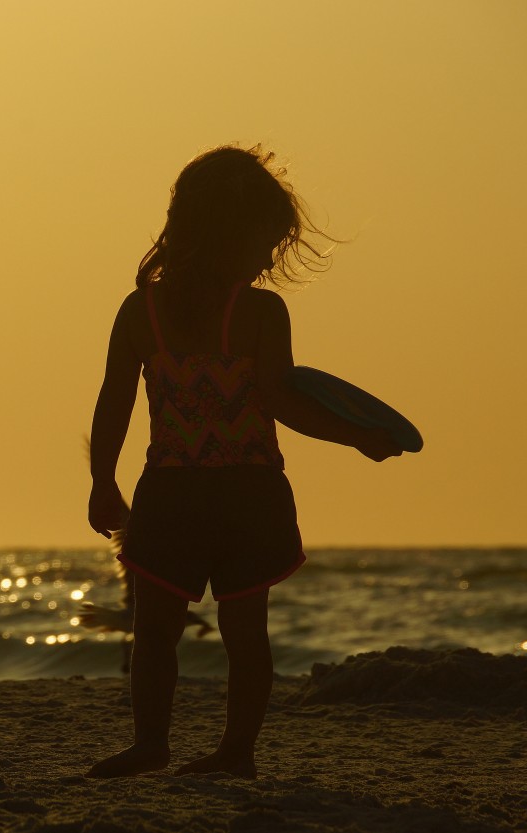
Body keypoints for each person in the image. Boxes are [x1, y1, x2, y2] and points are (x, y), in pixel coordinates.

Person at [85, 145, 402, 779]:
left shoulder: (146, 311)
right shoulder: (251, 313)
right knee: (233, 632)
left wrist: (102, 481)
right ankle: (219, 751)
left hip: (176, 491)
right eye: (266, 243)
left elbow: (114, 404)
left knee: (160, 632)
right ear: (228, 236)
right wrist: (354, 435)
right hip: (244, 493)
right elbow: (284, 403)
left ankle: (174, 746)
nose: (268, 259)